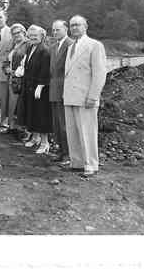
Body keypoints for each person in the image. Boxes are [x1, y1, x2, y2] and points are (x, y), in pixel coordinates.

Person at [64, 15, 106, 178]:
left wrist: (93, 96)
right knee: (73, 131)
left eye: (78, 25)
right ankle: (77, 163)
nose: (74, 28)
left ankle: (91, 164)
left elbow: (99, 73)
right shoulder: (70, 48)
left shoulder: (95, 46)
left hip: (85, 97)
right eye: (72, 25)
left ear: (85, 26)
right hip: (70, 96)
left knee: (87, 132)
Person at [19, 25, 52, 154]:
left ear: (42, 36)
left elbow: (45, 71)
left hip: (40, 88)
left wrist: (40, 86)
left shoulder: (45, 50)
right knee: (32, 113)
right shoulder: (30, 47)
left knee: (41, 115)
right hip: (29, 86)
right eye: (30, 35)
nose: (32, 38)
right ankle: (35, 137)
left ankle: (45, 143)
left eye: (35, 36)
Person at [49, 20, 73, 165]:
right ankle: (61, 151)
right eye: (53, 30)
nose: (55, 32)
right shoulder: (53, 47)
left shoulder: (70, 45)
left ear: (65, 29)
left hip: (65, 90)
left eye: (58, 30)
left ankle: (69, 154)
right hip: (54, 89)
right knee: (57, 123)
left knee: (65, 124)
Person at [5, 23, 28, 135]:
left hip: (20, 79)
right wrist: (6, 68)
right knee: (12, 103)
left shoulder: (28, 45)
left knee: (19, 104)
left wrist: (15, 72)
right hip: (11, 79)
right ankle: (12, 126)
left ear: (24, 32)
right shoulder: (13, 45)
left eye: (18, 32)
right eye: (13, 34)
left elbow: (27, 63)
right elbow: (6, 60)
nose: (16, 35)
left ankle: (20, 129)